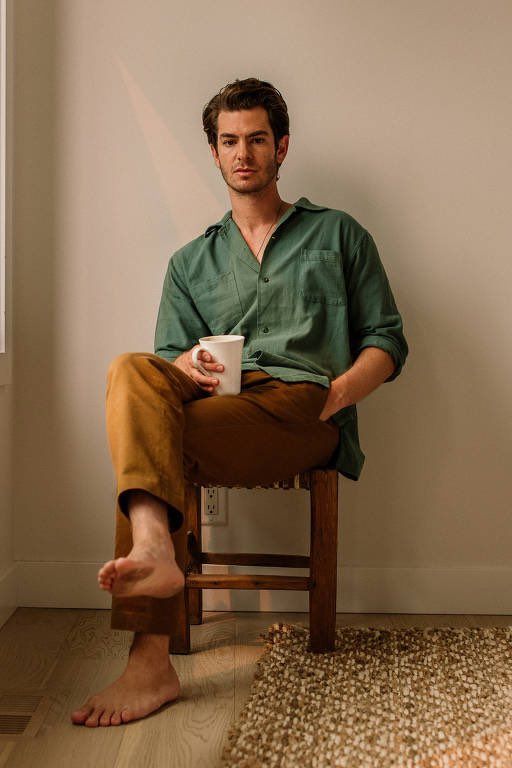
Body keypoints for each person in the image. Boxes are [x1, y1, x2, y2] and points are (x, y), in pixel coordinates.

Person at [71, 77, 408, 727]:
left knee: (150, 444)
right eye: (229, 141)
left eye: (256, 139)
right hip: (221, 402)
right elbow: (162, 365)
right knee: (130, 373)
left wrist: (339, 394)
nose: (243, 153)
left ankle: (148, 660)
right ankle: (153, 548)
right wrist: (187, 363)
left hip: (302, 406)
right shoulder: (191, 261)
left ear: (281, 147)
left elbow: (387, 340)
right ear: (214, 152)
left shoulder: (338, 235)